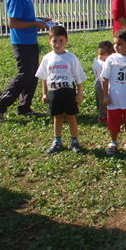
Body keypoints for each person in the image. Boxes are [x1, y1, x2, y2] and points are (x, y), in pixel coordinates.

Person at [0, 0, 49, 122]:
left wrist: (41, 20)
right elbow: (13, 23)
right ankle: (0, 105)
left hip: (30, 40)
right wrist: (35, 23)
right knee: (24, 74)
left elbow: (26, 18)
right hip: (21, 42)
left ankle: (24, 107)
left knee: (33, 75)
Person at [35, 26, 87, 154]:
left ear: (66, 41)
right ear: (49, 41)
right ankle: (57, 141)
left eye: (61, 41)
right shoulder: (47, 58)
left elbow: (79, 78)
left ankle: (75, 141)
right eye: (55, 41)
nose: (57, 44)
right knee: (57, 117)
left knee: (71, 117)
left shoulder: (71, 58)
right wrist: (44, 93)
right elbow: (44, 77)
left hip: (68, 91)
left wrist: (79, 94)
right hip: (54, 92)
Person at [93, 40, 114, 123]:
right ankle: (102, 116)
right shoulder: (102, 63)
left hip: (99, 82)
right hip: (101, 83)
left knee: (101, 100)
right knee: (102, 101)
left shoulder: (98, 60)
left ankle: (102, 114)